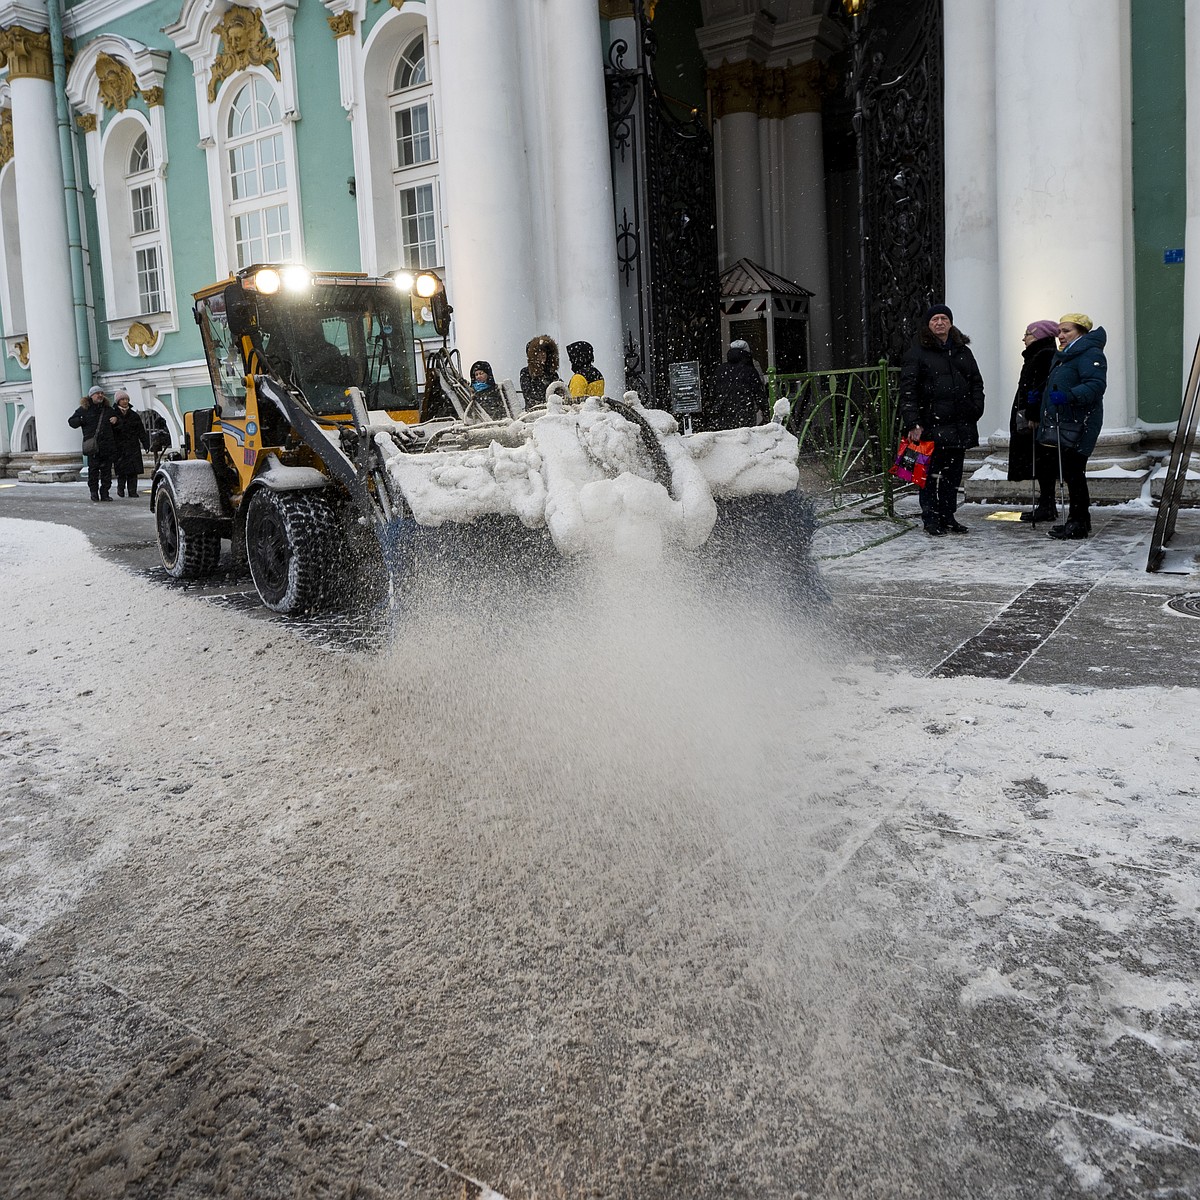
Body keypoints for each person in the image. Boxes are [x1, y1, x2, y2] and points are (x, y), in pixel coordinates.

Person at [898, 304, 986, 536]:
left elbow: (976, 381)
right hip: (930, 425)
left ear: (950, 323)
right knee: (926, 476)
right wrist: (913, 422)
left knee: (952, 476)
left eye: (944, 318)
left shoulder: (962, 351)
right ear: (928, 324)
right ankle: (931, 518)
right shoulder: (917, 352)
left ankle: (948, 516)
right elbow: (908, 390)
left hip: (958, 424)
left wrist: (976, 407)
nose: (940, 322)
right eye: (935, 319)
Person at [1035, 313, 1107, 540]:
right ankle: (1079, 520)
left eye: (1067, 331)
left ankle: (1077, 521)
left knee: (1074, 473)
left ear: (1081, 332)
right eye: (1059, 331)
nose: (1061, 335)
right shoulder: (1066, 355)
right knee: (1071, 472)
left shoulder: (1089, 353)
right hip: (1066, 421)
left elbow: (1096, 386)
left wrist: (1069, 396)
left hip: (1081, 423)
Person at [1008, 319, 1060, 523]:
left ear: (1039, 336)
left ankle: (1047, 505)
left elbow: (1039, 386)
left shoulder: (1044, 354)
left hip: (1035, 419)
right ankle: (1046, 504)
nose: (1024, 338)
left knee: (1043, 461)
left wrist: (1033, 413)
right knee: (1040, 461)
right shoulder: (1037, 354)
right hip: (1032, 415)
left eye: (1028, 334)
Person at [704, 338, 766, 430]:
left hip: (723, 414)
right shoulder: (750, 370)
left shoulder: (720, 370)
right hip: (744, 413)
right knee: (744, 440)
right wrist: (765, 411)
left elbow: (712, 392)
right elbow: (759, 393)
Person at [68, 385, 116, 502]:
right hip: (93, 446)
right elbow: (71, 422)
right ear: (91, 396)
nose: (100, 395)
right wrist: (81, 420)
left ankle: (105, 493)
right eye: (97, 393)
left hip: (106, 445)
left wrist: (116, 420)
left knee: (106, 472)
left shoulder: (108, 409)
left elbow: (118, 424)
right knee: (93, 471)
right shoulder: (84, 409)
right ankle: (94, 493)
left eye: (101, 393)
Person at [110, 389, 150, 498]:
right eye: (122, 399)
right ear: (118, 401)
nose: (125, 401)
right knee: (122, 471)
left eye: (126, 399)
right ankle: (121, 488)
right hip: (120, 447)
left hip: (133, 446)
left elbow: (141, 431)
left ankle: (132, 491)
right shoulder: (113, 414)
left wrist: (146, 444)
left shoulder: (133, 415)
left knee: (133, 471)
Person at [520, 335, 561, 409]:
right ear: (532, 355)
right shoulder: (526, 373)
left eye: (544, 351)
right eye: (539, 352)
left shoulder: (552, 373)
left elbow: (558, 394)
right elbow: (529, 396)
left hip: (553, 410)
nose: (543, 354)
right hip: (535, 411)